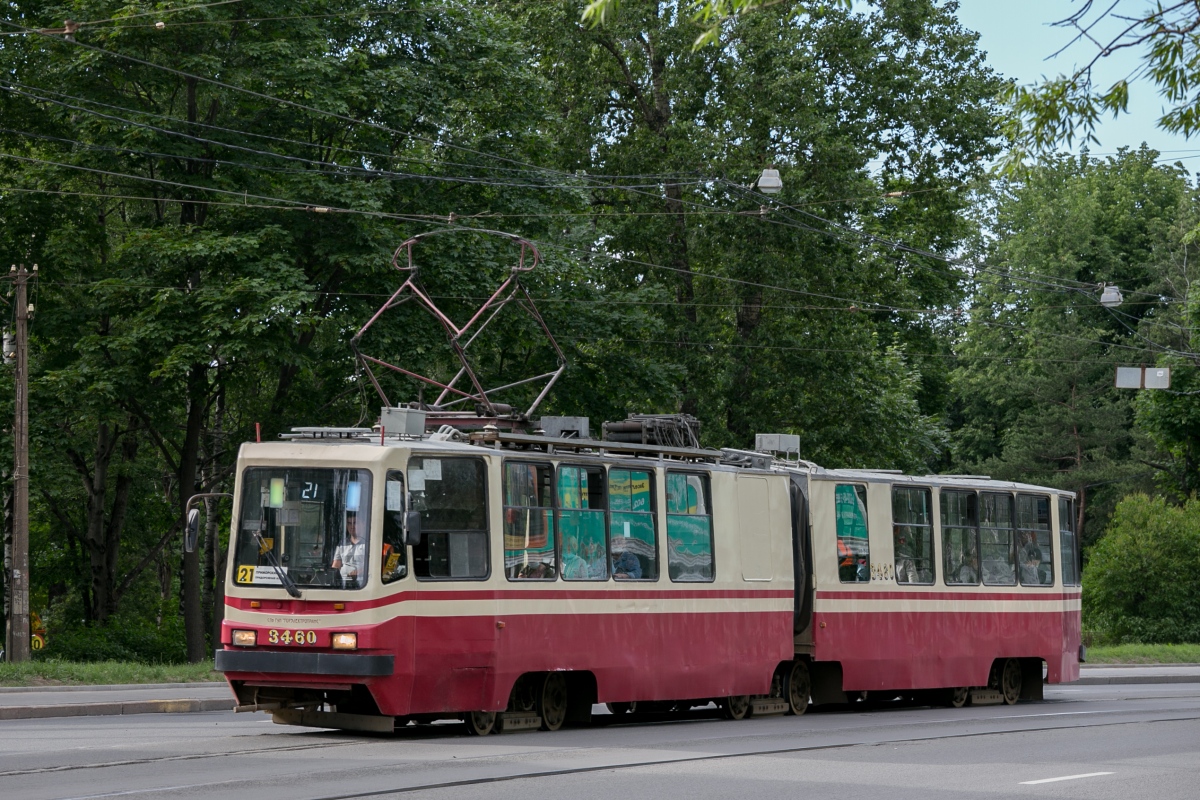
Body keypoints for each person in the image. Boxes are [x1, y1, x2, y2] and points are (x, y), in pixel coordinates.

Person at [332, 514, 367, 586]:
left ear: (363, 524)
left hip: (362, 584)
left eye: (355, 523)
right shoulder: (342, 543)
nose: (352, 526)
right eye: (349, 523)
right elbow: (336, 565)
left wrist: (359, 572)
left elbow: (374, 566)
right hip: (342, 584)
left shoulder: (369, 543)